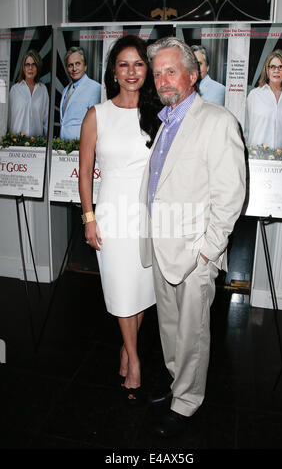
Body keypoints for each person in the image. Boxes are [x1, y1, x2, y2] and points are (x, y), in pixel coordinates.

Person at [139, 37, 246, 437]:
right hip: (163, 245)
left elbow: (231, 195)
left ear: (193, 74)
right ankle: (176, 386)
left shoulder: (217, 121)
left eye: (172, 70)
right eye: (158, 73)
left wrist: (206, 252)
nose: (164, 80)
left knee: (192, 334)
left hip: (194, 253)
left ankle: (187, 402)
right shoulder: (165, 120)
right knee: (170, 330)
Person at [79, 35, 161, 403]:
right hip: (110, 213)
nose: (131, 72)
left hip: (146, 215)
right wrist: (88, 217)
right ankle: (136, 359)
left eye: (138, 64)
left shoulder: (158, 114)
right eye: (124, 64)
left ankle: (127, 351)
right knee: (121, 289)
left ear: (148, 70)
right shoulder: (97, 114)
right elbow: (84, 173)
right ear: (113, 70)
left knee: (141, 291)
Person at [245, 49, 282, 151]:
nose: (276, 71)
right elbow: (246, 130)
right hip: (257, 157)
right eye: (273, 67)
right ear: (267, 69)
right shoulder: (254, 95)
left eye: (281, 67)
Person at [60, 46, 101, 140]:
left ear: (85, 66)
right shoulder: (65, 90)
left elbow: (95, 124)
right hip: (62, 148)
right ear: (67, 68)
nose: (74, 69)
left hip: (81, 147)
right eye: (70, 65)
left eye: (77, 64)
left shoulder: (95, 88)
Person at [8, 49, 49, 136]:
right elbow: (8, 118)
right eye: (27, 64)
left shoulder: (43, 90)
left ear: (38, 67)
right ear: (23, 67)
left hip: (37, 144)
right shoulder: (15, 90)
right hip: (16, 143)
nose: (30, 68)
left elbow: (46, 119)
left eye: (34, 64)